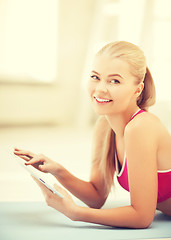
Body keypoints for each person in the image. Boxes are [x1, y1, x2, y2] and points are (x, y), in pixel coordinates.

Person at [14, 41, 171, 229]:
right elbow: (96, 196)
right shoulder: (105, 126)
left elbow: (141, 217)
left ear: (137, 89)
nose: (100, 89)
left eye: (115, 81)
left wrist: (75, 212)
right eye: (95, 77)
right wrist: (57, 170)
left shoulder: (141, 127)